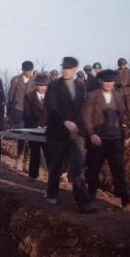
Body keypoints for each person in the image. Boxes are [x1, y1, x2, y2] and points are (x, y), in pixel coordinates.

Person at [45, 56, 96, 213]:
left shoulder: (80, 86)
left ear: (74, 70)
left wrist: (87, 130)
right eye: (64, 68)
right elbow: (51, 108)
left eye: (69, 68)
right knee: (56, 166)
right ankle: (52, 194)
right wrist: (64, 122)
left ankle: (82, 202)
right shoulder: (54, 86)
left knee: (78, 165)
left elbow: (83, 108)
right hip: (57, 133)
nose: (65, 71)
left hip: (76, 134)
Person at [82, 69, 130, 207]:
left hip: (115, 138)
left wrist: (125, 135)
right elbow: (86, 117)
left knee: (118, 168)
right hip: (98, 139)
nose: (108, 84)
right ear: (100, 81)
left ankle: (125, 196)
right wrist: (91, 134)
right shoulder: (92, 96)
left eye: (111, 81)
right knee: (94, 167)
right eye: (105, 81)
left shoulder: (118, 96)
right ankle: (91, 194)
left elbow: (121, 117)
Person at [7, 60, 35, 171]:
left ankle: (27, 161)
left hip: (31, 113)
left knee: (30, 136)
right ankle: (19, 158)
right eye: (26, 70)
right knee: (22, 136)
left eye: (30, 71)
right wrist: (9, 113)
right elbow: (10, 97)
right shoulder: (16, 80)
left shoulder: (35, 81)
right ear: (23, 70)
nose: (28, 73)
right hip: (18, 110)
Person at [24, 73, 49, 181]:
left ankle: (52, 176)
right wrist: (35, 126)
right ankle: (33, 175)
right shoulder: (29, 97)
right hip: (34, 129)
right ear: (36, 85)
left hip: (48, 129)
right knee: (35, 152)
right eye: (41, 85)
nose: (43, 88)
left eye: (45, 85)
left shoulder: (50, 97)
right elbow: (27, 114)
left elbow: (53, 113)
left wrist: (49, 125)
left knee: (49, 152)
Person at [116, 57, 130, 126]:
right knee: (121, 108)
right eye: (121, 65)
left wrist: (127, 83)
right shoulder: (116, 72)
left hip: (128, 92)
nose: (123, 66)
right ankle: (122, 122)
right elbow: (114, 82)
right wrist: (119, 83)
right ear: (119, 65)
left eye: (124, 64)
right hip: (119, 92)